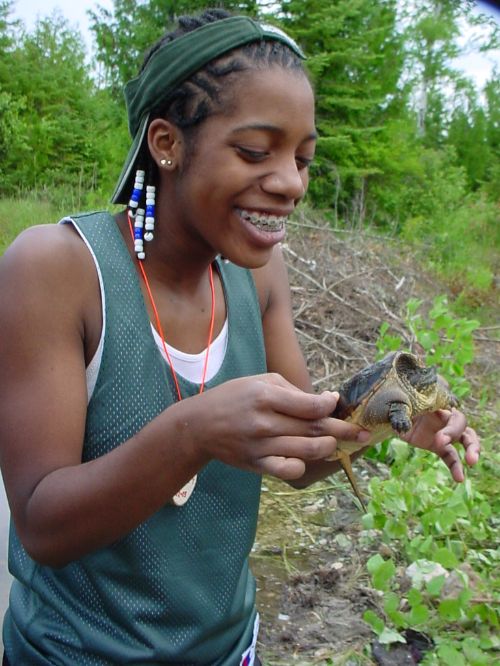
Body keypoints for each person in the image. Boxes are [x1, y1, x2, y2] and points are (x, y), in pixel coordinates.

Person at [0, 8, 480, 665]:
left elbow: (303, 457)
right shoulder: (57, 270)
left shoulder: (257, 275)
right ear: (167, 143)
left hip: (231, 650)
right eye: (255, 151)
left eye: (303, 159)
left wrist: (384, 419)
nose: (290, 183)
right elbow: (41, 525)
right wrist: (192, 432)